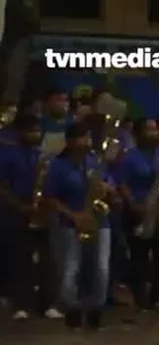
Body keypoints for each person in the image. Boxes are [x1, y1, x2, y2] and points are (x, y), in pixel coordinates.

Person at [42, 122, 115, 330]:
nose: (87, 142)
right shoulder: (58, 165)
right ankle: (72, 309)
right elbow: (50, 197)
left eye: (89, 137)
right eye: (82, 137)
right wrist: (73, 215)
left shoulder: (95, 161)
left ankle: (95, 309)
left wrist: (106, 187)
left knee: (101, 268)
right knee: (71, 270)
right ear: (71, 141)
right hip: (70, 222)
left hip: (99, 221)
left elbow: (111, 185)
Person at [0, 113, 60, 320]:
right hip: (16, 210)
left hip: (40, 210)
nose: (35, 134)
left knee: (46, 259)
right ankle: (21, 305)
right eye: (31, 131)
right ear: (20, 133)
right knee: (20, 260)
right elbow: (3, 187)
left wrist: (42, 207)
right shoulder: (8, 155)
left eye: (37, 131)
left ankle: (47, 303)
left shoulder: (41, 155)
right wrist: (21, 207)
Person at [118, 118, 159, 310]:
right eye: (148, 129)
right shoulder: (129, 157)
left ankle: (157, 297)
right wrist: (133, 204)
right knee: (138, 257)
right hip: (137, 210)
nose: (152, 133)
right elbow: (122, 184)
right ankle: (140, 298)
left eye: (154, 129)